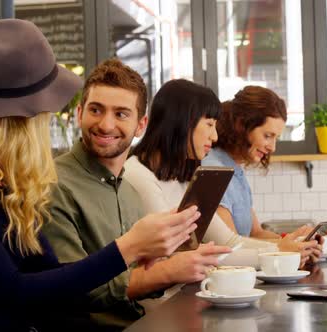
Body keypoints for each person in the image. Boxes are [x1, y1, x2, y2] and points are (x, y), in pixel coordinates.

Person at [0, 19, 198, 332]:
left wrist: (141, 255)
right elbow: (12, 291)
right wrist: (129, 247)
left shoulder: (1, 175)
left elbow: (53, 277)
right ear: (24, 117)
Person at [42, 61, 231, 328]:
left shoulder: (128, 191)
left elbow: (137, 277)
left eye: (121, 114)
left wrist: (185, 264)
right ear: (79, 113)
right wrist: (168, 271)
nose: (106, 125)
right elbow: (71, 289)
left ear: (141, 125)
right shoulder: (53, 184)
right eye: (96, 110)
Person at [124, 79, 320, 268]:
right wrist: (278, 251)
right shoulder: (139, 176)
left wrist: (282, 248)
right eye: (209, 124)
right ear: (183, 122)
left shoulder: (181, 177)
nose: (214, 136)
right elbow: (179, 254)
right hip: (163, 300)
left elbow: (228, 241)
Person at [202, 86, 317, 242]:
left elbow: (256, 233)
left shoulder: (236, 171)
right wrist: (286, 248)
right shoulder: (214, 170)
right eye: (267, 136)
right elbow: (229, 245)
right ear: (241, 125)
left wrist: (294, 241)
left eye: (276, 138)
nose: (272, 147)